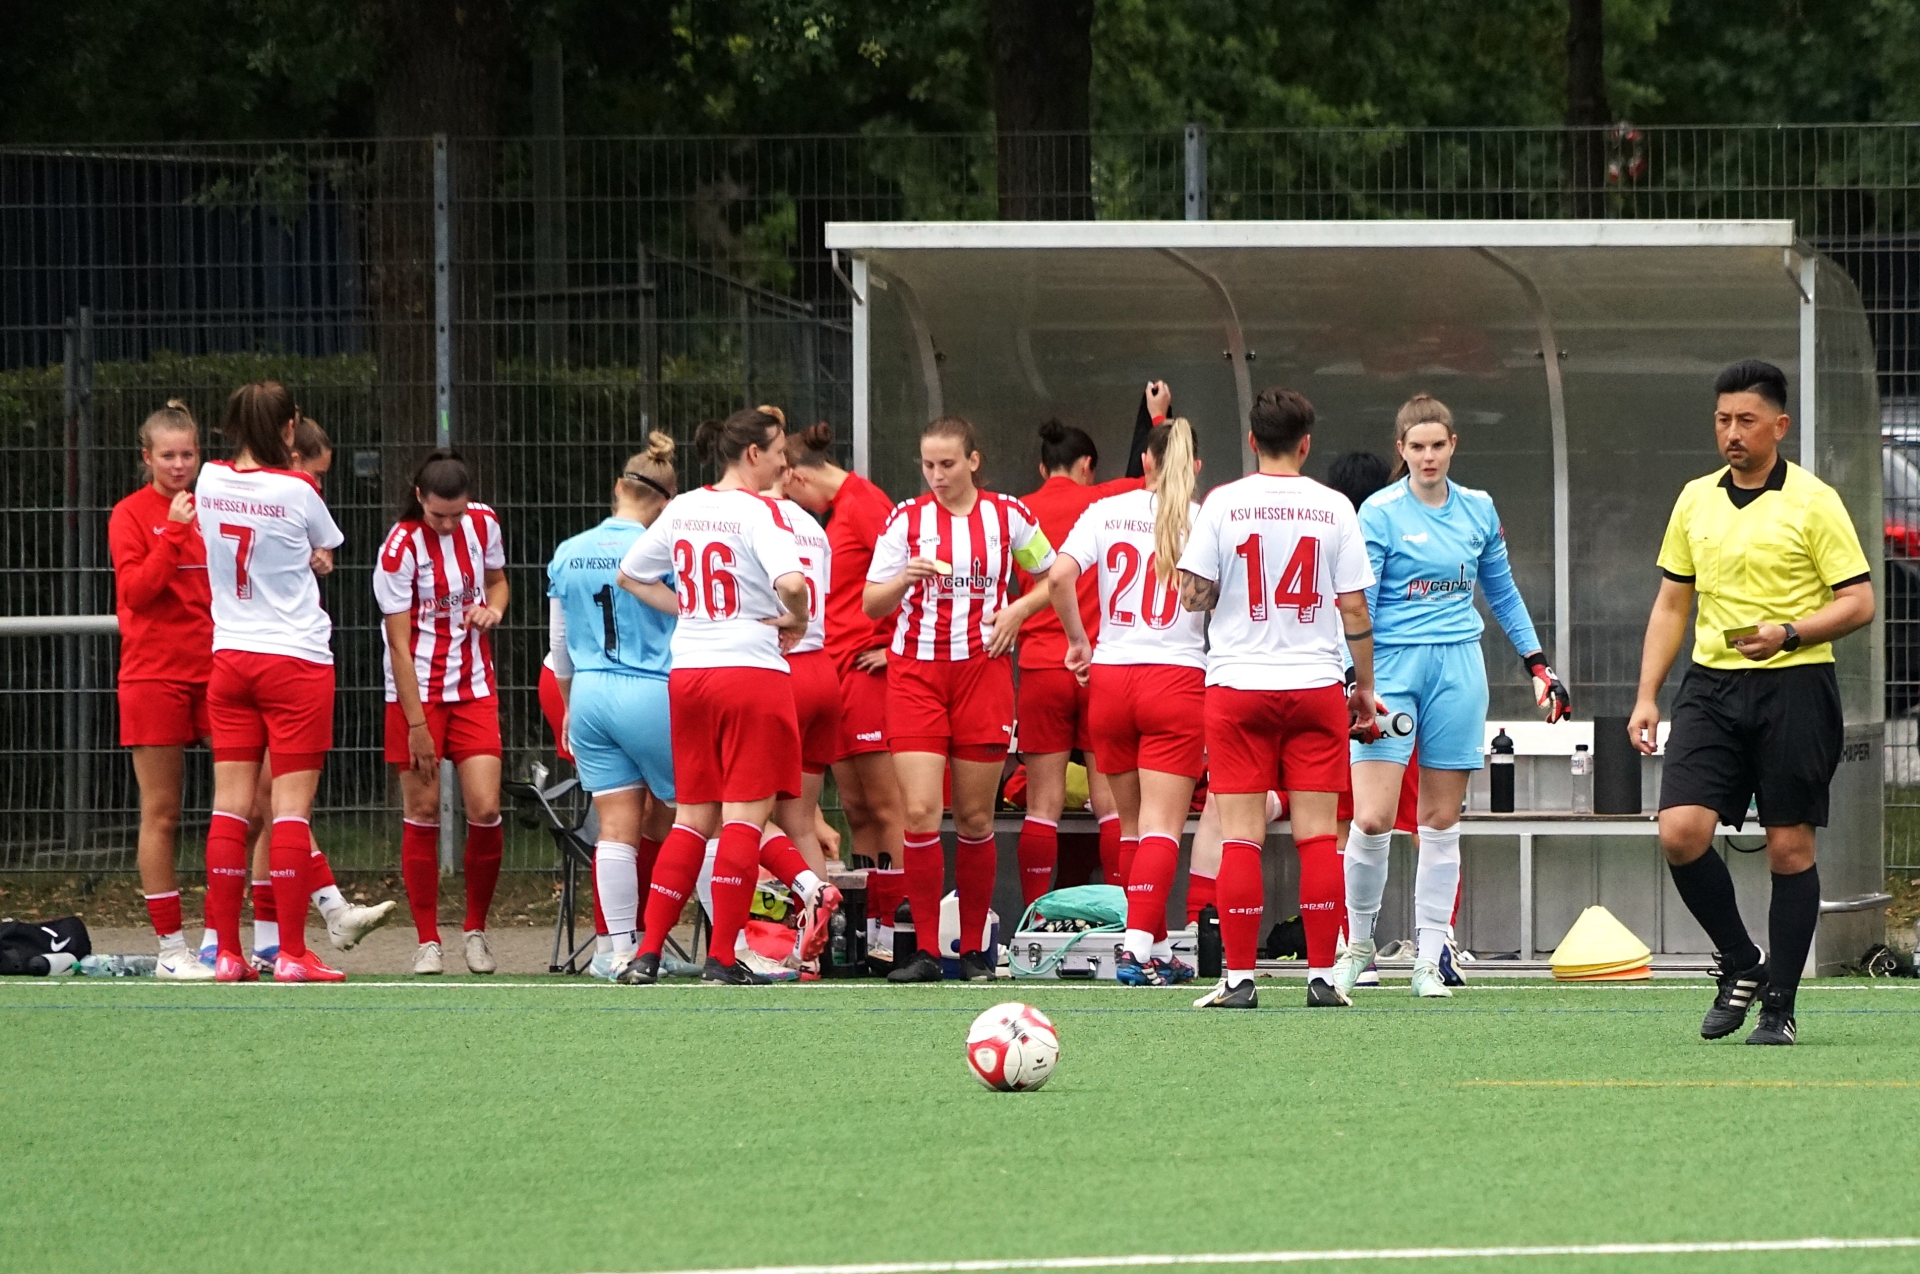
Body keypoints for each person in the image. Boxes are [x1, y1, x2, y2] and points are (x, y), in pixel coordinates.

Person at [1630, 360, 1874, 1046]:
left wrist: (1789, 632)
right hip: (1711, 687)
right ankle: (1741, 962)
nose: (1732, 433)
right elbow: (1672, 604)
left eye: (1745, 420)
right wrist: (1647, 695)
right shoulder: (1694, 499)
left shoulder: (1814, 501)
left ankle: (1779, 1007)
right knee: (1680, 831)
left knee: (1789, 849)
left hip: (1796, 686)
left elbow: (1859, 601)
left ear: (1779, 426)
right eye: (1722, 420)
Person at [1331, 396, 1567, 1000]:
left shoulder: (1478, 508)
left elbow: (1502, 592)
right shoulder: (1380, 512)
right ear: (1401, 450)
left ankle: (1429, 960)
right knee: (1372, 817)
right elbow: (1360, 606)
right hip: (1393, 672)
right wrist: (1357, 683)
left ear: (1453, 444)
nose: (1428, 456)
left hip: (1459, 669)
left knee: (1439, 820)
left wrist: (1538, 664)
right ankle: (1356, 948)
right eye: (1417, 447)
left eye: (1438, 445)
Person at [1175, 387, 1377, 1010]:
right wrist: (1364, 688)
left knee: (1240, 837)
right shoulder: (1334, 506)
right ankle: (1322, 977)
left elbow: (1192, 596)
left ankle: (1239, 980)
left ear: (1252, 441)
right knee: (1318, 838)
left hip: (1238, 685)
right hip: (1315, 685)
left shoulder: (1223, 502)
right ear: (1306, 444)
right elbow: (1353, 608)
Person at [616, 406, 811, 986]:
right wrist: (795, 618)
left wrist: (691, 611)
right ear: (753, 454)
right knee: (744, 820)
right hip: (749, 673)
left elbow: (629, 575)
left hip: (690, 673)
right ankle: (722, 958)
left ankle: (647, 953)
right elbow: (793, 584)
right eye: (778, 451)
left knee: (691, 819)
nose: (784, 462)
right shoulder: (760, 512)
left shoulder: (683, 507)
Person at [865, 416, 1057, 983]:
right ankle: (926, 950)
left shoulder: (1009, 516)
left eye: (947, 464)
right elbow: (872, 604)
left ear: (973, 461)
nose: (937, 475)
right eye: (928, 465)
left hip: (983, 673)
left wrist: (1018, 610)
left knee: (975, 817)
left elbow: (1055, 576)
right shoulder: (906, 519)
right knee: (921, 811)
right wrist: (903, 579)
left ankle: (974, 951)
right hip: (916, 675)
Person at [196, 381, 347, 982]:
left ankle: (227, 953)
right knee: (289, 811)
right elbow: (324, 546)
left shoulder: (208, 480)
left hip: (231, 658)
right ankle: (291, 953)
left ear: (232, 427)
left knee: (230, 808)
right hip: (295, 661)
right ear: (290, 429)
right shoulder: (299, 489)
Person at [1048, 414, 1205, 986]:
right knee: (1163, 828)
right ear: (1195, 466)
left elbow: (1059, 577)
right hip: (1175, 678)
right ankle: (1136, 948)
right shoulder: (1201, 519)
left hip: (1112, 679)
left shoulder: (1105, 510)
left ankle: (1156, 944)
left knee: (1132, 826)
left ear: (1145, 462)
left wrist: (1078, 642)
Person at [233, 415, 393, 969]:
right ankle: (227, 939)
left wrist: (312, 555)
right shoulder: (250, 492)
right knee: (261, 805)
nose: (318, 486)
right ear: (292, 456)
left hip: (248, 659)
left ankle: (269, 939)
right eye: (317, 473)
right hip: (253, 660)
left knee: (266, 805)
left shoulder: (250, 493)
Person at [547, 433, 681, 979]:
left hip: (590, 693)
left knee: (615, 828)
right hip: (649, 689)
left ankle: (615, 951)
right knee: (702, 818)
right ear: (667, 503)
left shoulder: (569, 550)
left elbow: (559, 647)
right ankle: (732, 944)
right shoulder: (662, 550)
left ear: (616, 488)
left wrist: (569, 708)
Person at [374, 451, 510, 976]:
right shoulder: (399, 549)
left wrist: (494, 609)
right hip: (418, 695)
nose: (449, 525)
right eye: (438, 515)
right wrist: (416, 726)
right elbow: (398, 646)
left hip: (474, 687)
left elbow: (498, 581)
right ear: (419, 499)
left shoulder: (485, 522)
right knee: (424, 809)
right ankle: (427, 940)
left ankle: (476, 930)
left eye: (457, 514)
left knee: (486, 807)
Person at [1013, 413, 1145, 901]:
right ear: (1087, 465)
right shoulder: (1105, 501)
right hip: (1096, 667)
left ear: (1042, 468)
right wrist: (1156, 416)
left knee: (1041, 806)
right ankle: (1120, 911)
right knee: (1110, 805)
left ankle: (1033, 914)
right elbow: (1156, 472)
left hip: (1040, 668)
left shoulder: (1020, 512)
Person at [110, 401, 217, 980]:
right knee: (162, 813)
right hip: (153, 675)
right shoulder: (129, 514)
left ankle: (225, 939)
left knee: (248, 805)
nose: (179, 466)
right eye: (168, 456)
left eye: (188, 455)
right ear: (147, 457)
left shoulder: (215, 505)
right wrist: (173, 532)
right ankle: (171, 949)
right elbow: (138, 592)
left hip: (218, 671)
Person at [781, 421, 906, 870]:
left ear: (797, 476)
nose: (797, 506)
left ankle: (903, 906)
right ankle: (870, 907)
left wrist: (898, 648)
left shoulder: (865, 503)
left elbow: (910, 572)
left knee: (887, 806)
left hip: (868, 668)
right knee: (856, 808)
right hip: (838, 672)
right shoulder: (840, 511)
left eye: (791, 494)